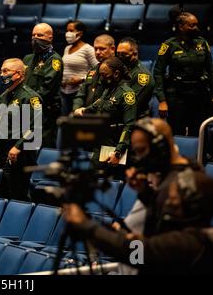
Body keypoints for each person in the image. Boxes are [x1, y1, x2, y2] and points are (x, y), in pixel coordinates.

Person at [62, 117, 213, 274]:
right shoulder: (180, 175)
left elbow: (145, 254)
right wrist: (144, 193)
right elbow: (160, 228)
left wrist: (88, 227)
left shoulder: (185, 185)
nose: (139, 159)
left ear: (160, 147)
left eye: (142, 150)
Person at [0, 58, 42, 201]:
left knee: (18, 195)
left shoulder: (31, 98)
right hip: (3, 152)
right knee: (3, 194)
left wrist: (18, 146)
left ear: (19, 74)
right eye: (1, 71)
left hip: (20, 155)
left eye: (6, 71)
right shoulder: (4, 95)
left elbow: (35, 126)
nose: (2, 74)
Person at [153, 11, 212, 136]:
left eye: (196, 25)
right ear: (181, 27)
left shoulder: (202, 43)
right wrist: (162, 100)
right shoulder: (169, 45)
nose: (196, 28)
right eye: (192, 25)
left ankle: (197, 156)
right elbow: (158, 73)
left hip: (199, 94)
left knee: (199, 132)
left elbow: (210, 70)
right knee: (177, 131)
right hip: (177, 95)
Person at [75, 57, 137, 175]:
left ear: (116, 74)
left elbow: (129, 125)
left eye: (105, 75)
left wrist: (118, 152)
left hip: (113, 144)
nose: (101, 78)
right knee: (94, 177)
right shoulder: (108, 90)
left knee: (109, 180)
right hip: (101, 140)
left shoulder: (127, 94)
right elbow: (97, 105)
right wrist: (83, 111)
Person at [23, 23, 63, 149]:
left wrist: (27, 101)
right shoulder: (28, 58)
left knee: (42, 146)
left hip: (45, 111)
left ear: (50, 38)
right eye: (33, 35)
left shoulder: (54, 60)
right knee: (27, 145)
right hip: (27, 110)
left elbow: (47, 88)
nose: (35, 38)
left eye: (40, 35)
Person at [61, 20, 98, 116]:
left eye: (71, 30)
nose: (68, 33)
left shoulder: (88, 49)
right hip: (64, 91)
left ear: (80, 33)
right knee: (64, 120)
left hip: (79, 92)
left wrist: (82, 79)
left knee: (75, 119)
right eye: (67, 31)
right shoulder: (67, 48)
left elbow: (98, 69)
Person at [73, 34, 116, 112]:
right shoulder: (93, 70)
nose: (98, 52)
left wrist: (85, 110)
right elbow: (81, 94)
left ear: (112, 49)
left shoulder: (117, 71)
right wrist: (77, 109)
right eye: (95, 49)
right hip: (87, 116)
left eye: (102, 49)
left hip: (105, 116)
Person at [116, 37, 155, 119]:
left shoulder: (142, 75)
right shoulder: (119, 69)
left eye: (123, 54)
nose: (119, 57)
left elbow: (131, 104)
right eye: (118, 54)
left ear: (135, 54)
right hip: (118, 115)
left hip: (135, 119)